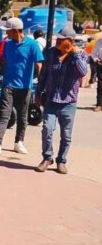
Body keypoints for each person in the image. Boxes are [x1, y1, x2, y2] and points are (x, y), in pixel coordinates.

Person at [34, 26, 88, 174]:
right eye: (57, 38)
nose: (57, 41)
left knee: (66, 135)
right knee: (47, 129)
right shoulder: (51, 53)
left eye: (61, 39)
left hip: (68, 102)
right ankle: (47, 158)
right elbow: (44, 75)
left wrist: (74, 54)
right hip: (51, 99)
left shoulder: (81, 54)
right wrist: (38, 93)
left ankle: (61, 160)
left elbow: (83, 71)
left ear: (70, 41)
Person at [0, 17, 43, 156]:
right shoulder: (7, 44)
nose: (6, 34)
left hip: (25, 87)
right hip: (8, 85)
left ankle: (19, 142)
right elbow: (5, 60)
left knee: (22, 116)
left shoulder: (32, 44)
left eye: (8, 31)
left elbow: (39, 64)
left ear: (16, 31)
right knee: (4, 114)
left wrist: (40, 83)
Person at [92, 36, 102, 111]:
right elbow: (93, 54)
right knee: (100, 86)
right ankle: (99, 104)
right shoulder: (99, 42)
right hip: (101, 66)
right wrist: (97, 61)